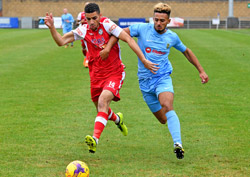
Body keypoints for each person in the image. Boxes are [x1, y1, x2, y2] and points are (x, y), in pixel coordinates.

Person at [45, 3, 158, 153]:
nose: (91, 22)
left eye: (94, 18)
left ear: (100, 15)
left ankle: (95, 139)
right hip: (96, 75)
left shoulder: (107, 24)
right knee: (101, 108)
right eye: (88, 18)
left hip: (114, 72)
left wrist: (144, 60)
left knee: (103, 101)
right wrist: (52, 27)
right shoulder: (83, 29)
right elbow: (61, 41)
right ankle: (118, 119)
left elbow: (128, 39)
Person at [122, 2, 209, 159]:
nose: (158, 23)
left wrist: (201, 71)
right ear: (153, 19)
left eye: (162, 20)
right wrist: (107, 48)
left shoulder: (172, 37)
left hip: (162, 78)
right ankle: (173, 132)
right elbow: (119, 33)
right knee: (163, 119)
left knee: (167, 105)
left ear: (168, 21)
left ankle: (178, 144)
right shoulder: (141, 29)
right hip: (144, 82)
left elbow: (187, 52)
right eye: (156, 19)